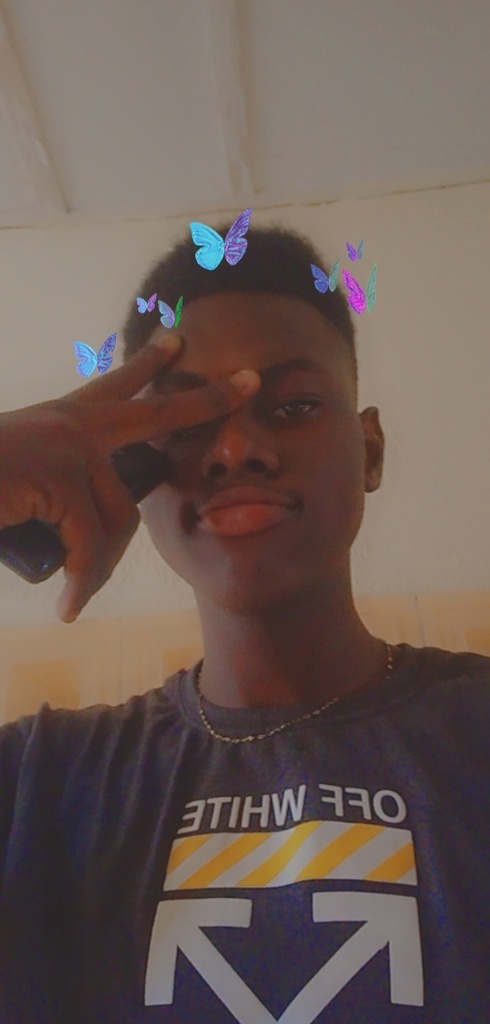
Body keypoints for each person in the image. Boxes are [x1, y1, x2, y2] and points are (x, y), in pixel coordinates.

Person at [0, 222, 489, 1023]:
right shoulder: (40, 784)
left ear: (369, 448)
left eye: (294, 405)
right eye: (187, 423)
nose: (236, 449)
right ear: (131, 471)